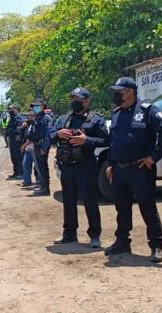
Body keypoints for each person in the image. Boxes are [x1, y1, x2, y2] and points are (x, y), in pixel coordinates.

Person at [105, 77, 162, 263]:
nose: (116, 95)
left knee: (147, 207)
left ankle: (156, 245)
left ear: (130, 91)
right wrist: (111, 164)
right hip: (120, 169)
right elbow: (114, 142)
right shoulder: (117, 113)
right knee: (122, 208)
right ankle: (122, 242)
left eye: (119, 91)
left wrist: (154, 157)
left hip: (140, 170)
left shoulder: (147, 111)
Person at [51, 87, 108, 249]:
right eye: (73, 99)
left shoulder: (96, 119)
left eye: (79, 99)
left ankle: (95, 235)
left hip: (86, 166)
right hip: (67, 166)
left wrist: (86, 140)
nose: (75, 102)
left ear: (87, 101)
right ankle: (69, 234)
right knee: (68, 201)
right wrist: (58, 134)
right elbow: (50, 136)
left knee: (90, 201)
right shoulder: (63, 119)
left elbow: (107, 140)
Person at [29, 99, 53, 196]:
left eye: (37, 105)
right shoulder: (38, 117)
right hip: (37, 145)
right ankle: (42, 186)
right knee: (40, 167)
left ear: (43, 106)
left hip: (42, 146)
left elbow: (48, 134)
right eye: (34, 106)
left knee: (43, 167)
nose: (35, 107)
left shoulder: (46, 118)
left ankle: (46, 189)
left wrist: (44, 148)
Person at [6, 105, 25, 179]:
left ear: (15, 109)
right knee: (13, 157)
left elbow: (20, 129)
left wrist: (18, 135)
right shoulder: (11, 118)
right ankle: (16, 172)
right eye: (9, 109)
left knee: (18, 157)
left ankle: (20, 173)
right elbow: (8, 128)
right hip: (12, 140)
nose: (10, 111)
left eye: (11, 109)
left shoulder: (19, 118)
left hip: (17, 141)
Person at [20, 112, 37, 188]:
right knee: (25, 165)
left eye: (32, 115)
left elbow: (33, 138)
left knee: (38, 167)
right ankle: (27, 181)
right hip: (28, 149)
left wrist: (24, 146)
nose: (30, 117)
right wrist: (23, 127)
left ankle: (41, 183)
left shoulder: (35, 125)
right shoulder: (28, 125)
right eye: (29, 116)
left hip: (34, 148)